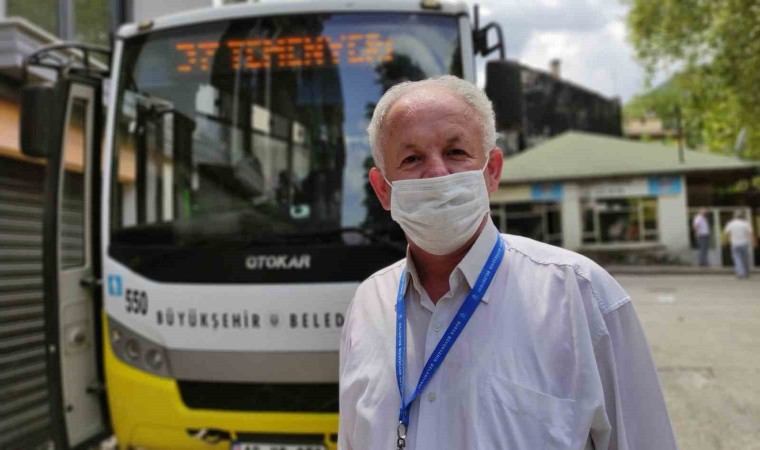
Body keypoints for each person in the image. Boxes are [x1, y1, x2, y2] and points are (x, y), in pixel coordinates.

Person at [338, 76, 678, 450]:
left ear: (492, 170)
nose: (436, 173)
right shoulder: (368, 305)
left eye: (456, 153)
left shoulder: (581, 294)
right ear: (384, 189)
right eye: (412, 158)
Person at [723, 210, 756, 279]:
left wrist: (725, 242)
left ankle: (740, 273)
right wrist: (753, 242)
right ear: (742, 216)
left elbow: (726, 234)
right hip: (744, 243)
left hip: (735, 244)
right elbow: (751, 234)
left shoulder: (731, 223)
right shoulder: (746, 224)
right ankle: (746, 273)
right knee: (745, 259)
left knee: (737, 259)